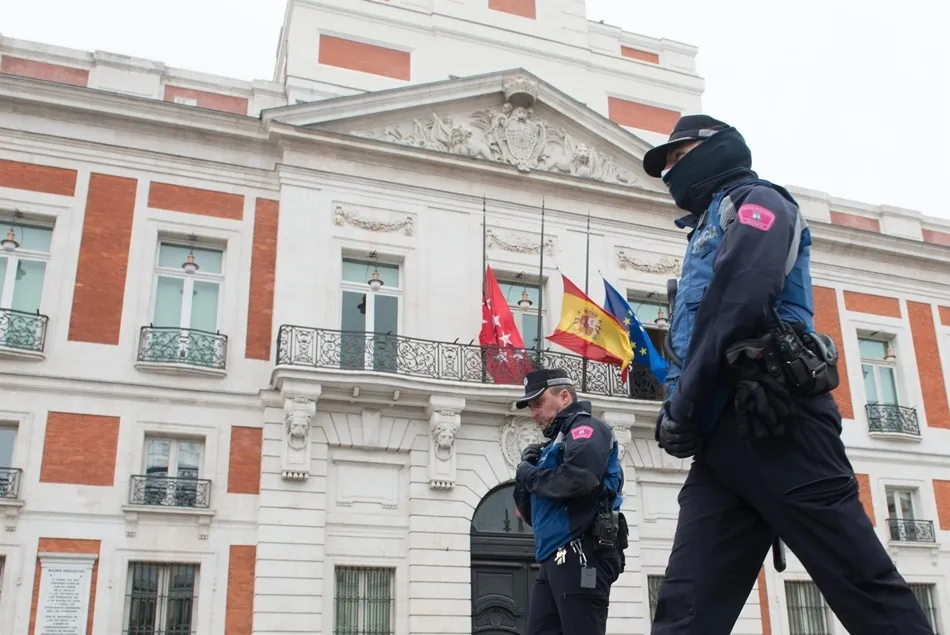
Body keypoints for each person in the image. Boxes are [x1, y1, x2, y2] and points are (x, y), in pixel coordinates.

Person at [642, 114, 935, 634]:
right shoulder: (702, 230)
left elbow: (740, 298)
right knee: (685, 611)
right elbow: (695, 335)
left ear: (715, 150)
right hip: (718, 444)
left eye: (676, 157)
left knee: (866, 591)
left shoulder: (758, 203)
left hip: (781, 423)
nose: (669, 173)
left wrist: (683, 403)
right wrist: (678, 408)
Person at [512, 368, 627, 635]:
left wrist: (530, 475)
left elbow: (579, 479)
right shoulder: (553, 445)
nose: (534, 412)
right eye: (530, 406)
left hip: (580, 548)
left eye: (538, 402)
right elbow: (534, 513)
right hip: (553, 555)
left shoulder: (586, 428)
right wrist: (525, 471)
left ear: (564, 396)